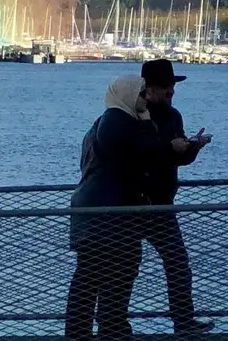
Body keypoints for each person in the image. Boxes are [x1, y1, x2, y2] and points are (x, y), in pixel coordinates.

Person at [65, 75, 193, 340]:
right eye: (141, 93)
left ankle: (85, 332)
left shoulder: (108, 121)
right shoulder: (118, 122)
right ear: (129, 94)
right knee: (115, 271)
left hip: (98, 209)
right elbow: (145, 154)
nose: (145, 99)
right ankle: (110, 330)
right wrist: (150, 126)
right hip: (108, 212)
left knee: (92, 274)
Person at [140, 59, 214, 334]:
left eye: (173, 89)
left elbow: (177, 159)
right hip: (133, 199)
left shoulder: (174, 116)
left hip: (162, 201)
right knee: (123, 266)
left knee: (178, 262)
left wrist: (192, 148)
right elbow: (135, 152)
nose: (172, 93)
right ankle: (114, 325)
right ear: (151, 89)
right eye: (167, 89)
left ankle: (183, 321)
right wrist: (167, 147)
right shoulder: (134, 114)